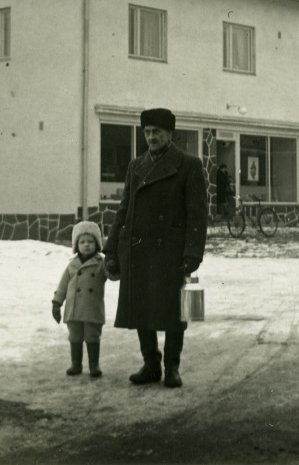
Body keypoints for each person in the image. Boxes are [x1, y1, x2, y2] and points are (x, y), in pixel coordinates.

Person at [104, 108, 208, 388]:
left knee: (174, 314)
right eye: (147, 132)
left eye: (156, 132)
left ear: (170, 134)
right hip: (138, 249)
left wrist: (192, 253)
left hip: (171, 252)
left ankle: (171, 367)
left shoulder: (189, 165)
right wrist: (111, 249)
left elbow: (197, 215)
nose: (151, 137)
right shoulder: (135, 166)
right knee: (142, 309)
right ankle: (151, 364)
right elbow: (124, 210)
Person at [52, 220, 114, 378]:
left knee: (92, 336)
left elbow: (112, 275)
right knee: (75, 336)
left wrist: (113, 266)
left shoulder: (101, 263)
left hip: (92, 308)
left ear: (97, 244)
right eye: (82, 242)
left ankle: (94, 365)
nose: (86, 245)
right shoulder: (72, 265)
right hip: (73, 309)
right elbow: (63, 285)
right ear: (76, 245)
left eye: (90, 242)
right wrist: (57, 303)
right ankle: (76, 364)